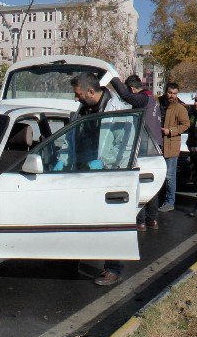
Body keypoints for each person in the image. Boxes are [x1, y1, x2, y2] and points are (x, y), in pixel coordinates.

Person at [69, 72, 130, 286]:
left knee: (108, 223)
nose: (75, 98)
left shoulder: (117, 110)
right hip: (82, 171)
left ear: (91, 91)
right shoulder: (83, 108)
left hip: (107, 174)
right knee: (78, 218)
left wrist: (104, 162)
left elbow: (126, 145)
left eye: (78, 94)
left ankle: (113, 268)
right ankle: (71, 259)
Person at [110, 75, 162, 231]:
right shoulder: (152, 98)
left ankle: (140, 221)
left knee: (138, 182)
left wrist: (113, 78)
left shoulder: (142, 99)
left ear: (133, 89)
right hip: (155, 144)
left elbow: (125, 95)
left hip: (144, 145)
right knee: (151, 183)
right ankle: (152, 219)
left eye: (130, 92)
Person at [157, 83, 190, 212]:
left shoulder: (180, 108)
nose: (172, 96)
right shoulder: (158, 103)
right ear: (166, 92)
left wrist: (170, 131)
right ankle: (158, 199)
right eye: (170, 92)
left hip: (171, 146)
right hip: (157, 145)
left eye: (175, 93)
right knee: (158, 174)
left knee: (170, 176)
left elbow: (186, 125)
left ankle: (170, 202)